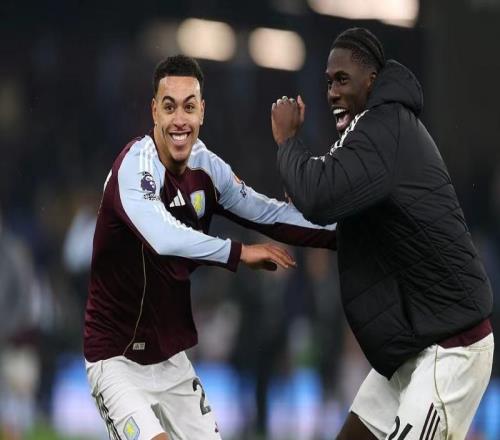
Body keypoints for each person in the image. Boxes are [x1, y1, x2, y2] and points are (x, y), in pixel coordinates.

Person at [83, 54, 336, 440]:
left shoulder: (208, 169)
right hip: (116, 359)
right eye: (169, 107)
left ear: (202, 111)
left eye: (189, 107)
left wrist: (348, 231)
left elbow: (269, 215)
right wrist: (238, 252)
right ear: (154, 111)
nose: (179, 120)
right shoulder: (135, 167)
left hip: (171, 362)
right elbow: (163, 236)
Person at [270, 27, 494, 440]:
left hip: (451, 349)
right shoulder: (373, 132)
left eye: (343, 79)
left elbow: (317, 195)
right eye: (328, 82)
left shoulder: (382, 128)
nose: (332, 92)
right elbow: (323, 201)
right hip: (413, 346)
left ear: (371, 81)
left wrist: (287, 142)